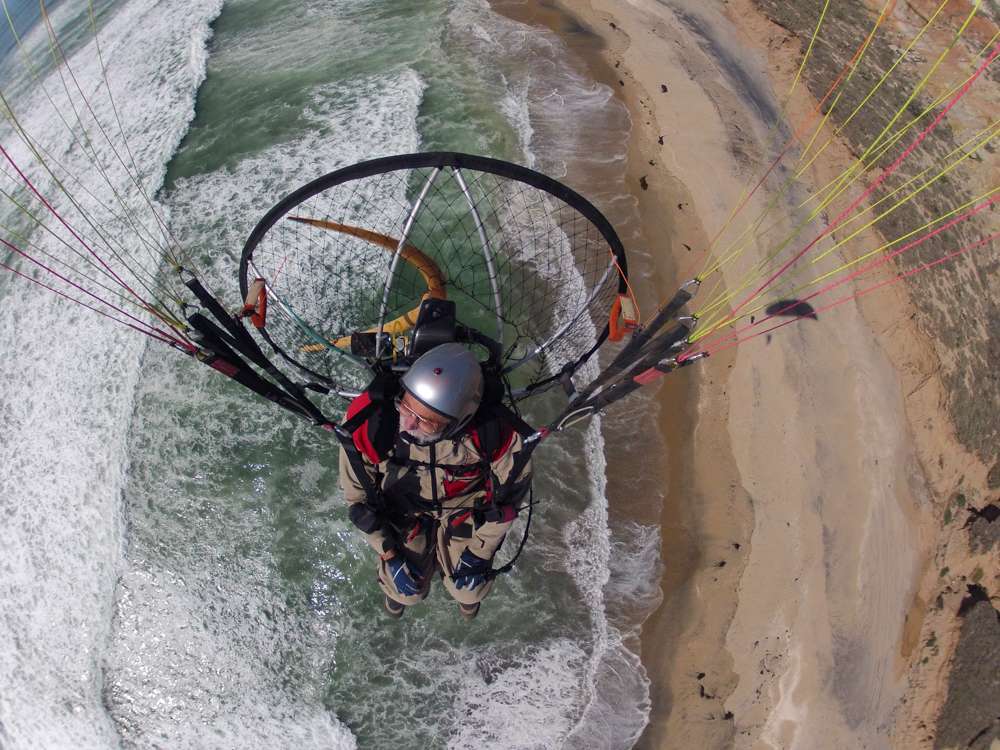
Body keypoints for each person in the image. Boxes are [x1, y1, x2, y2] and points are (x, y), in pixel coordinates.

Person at [338, 342, 533, 620]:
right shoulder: (370, 421)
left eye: (425, 422)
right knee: (407, 592)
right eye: (406, 407)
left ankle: (466, 601)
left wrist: (481, 552)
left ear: (459, 421)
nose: (407, 425)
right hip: (404, 509)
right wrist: (390, 555)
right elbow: (358, 502)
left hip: (465, 507)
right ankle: (396, 596)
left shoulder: (496, 431)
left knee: (470, 590)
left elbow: (509, 502)